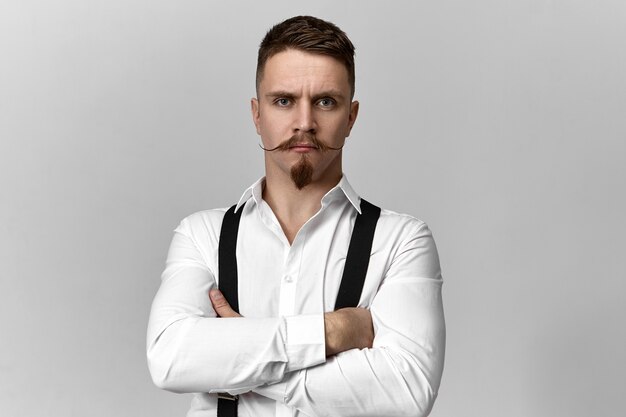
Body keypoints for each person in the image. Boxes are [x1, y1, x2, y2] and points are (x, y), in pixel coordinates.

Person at [147, 15, 445, 417]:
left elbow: (407, 392)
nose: (304, 123)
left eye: (326, 101)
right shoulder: (202, 235)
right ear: (257, 114)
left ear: (351, 117)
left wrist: (234, 367)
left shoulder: (400, 241)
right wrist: (333, 332)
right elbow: (169, 359)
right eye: (283, 101)